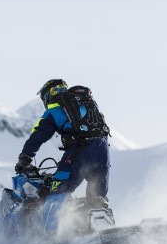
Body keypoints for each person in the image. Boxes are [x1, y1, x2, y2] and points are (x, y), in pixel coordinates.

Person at [14, 79, 111, 232]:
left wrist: (24, 159)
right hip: (102, 149)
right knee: (97, 198)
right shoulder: (85, 103)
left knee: (57, 191)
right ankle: (100, 232)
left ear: (47, 96)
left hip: (80, 150)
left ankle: (51, 237)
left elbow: (37, 136)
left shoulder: (54, 109)